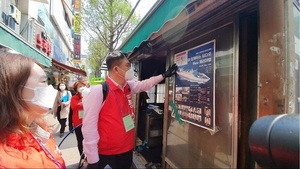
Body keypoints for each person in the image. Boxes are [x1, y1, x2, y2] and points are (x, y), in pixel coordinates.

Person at [82, 50, 177, 169]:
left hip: (126, 150)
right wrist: (93, 159)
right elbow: (88, 127)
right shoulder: (99, 91)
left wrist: (163, 75)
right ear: (116, 69)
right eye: (127, 65)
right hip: (107, 154)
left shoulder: (127, 86)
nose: (131, 69)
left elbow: (144, 85)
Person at [0, 48, 66, 168]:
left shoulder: (39, 130)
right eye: (43, 81)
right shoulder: (5, 161)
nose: (49, 88)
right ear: (14, 90)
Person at [70, 80, 88, 159]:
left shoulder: (89, 95)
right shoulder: (74, 98)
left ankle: (89, 157)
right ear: (76, 88)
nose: (82, 88)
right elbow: (76, 106)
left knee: (89, 141)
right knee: (80, 141)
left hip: (88, 122)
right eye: (80, 86)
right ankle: (82, 157)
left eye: (84, 86)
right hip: (78, 123)